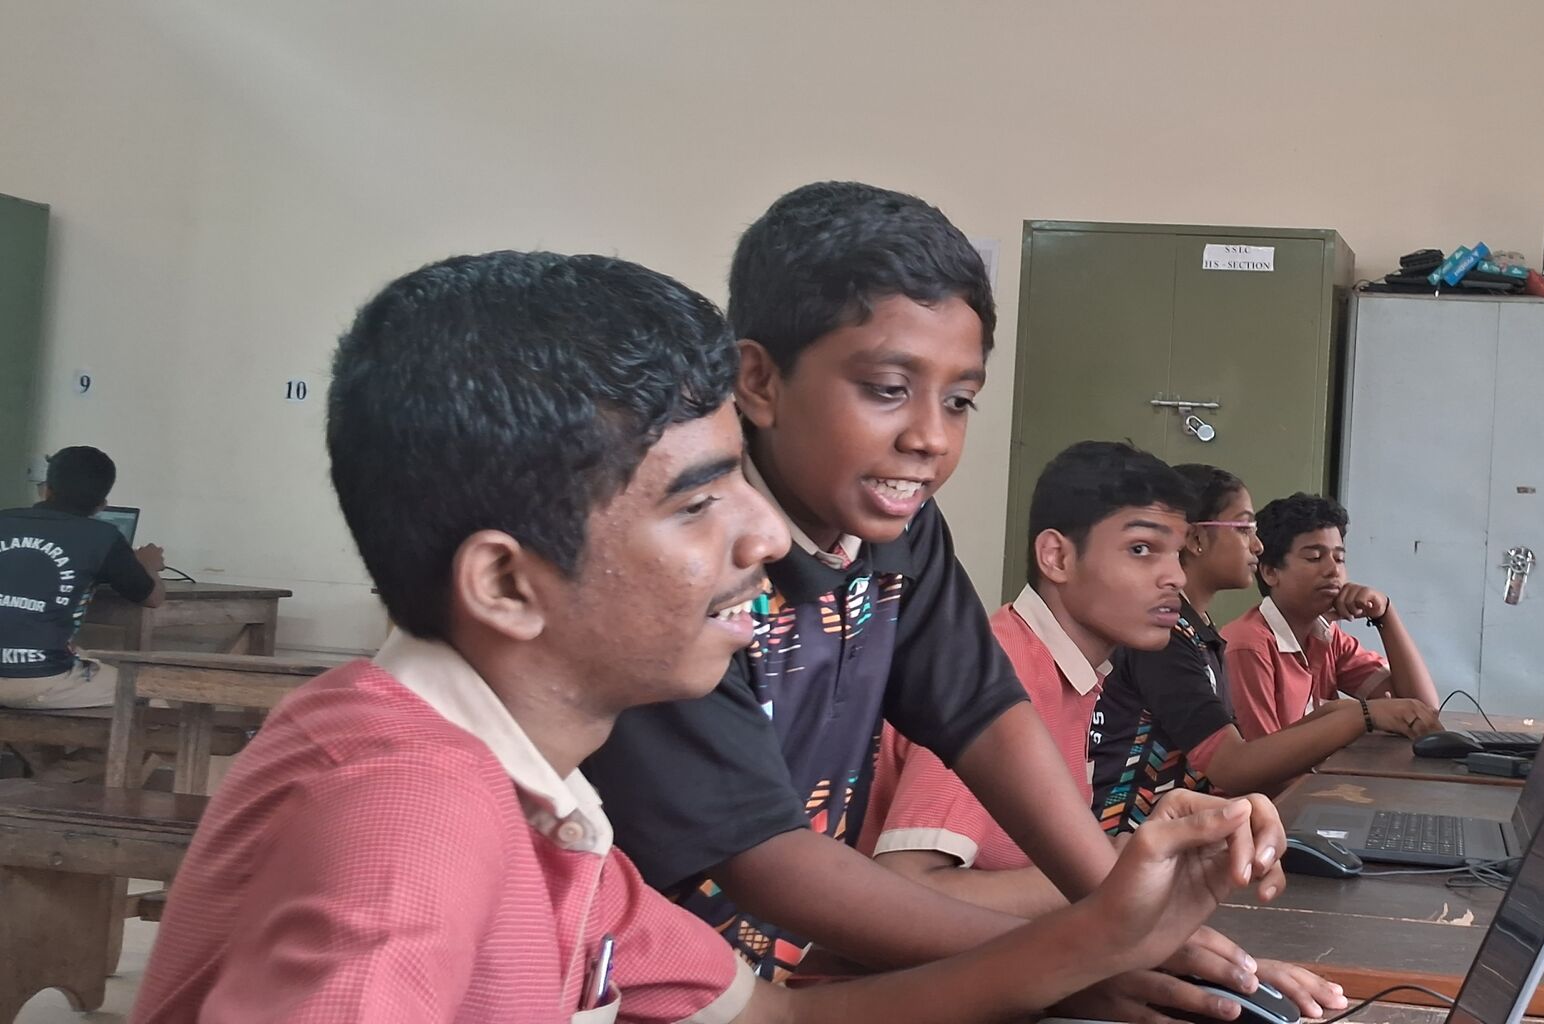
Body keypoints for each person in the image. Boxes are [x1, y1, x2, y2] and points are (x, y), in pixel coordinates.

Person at [134, 250, 1271, 1024]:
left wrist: (1102, 938)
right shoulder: (406, 822)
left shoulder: (551, 806)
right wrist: (1095, 941)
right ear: (507, 584)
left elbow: (772, 1015)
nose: (765, 538)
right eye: (697, 503)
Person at [581, 183, 1341, 1021]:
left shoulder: (898, 529)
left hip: (767, 995)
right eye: (885, 388)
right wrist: (1084, 954)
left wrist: (1136, 927)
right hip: (643, 988)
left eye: (958, 400)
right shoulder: (684, 570)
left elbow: (982, 714)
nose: (930, 438)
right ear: (758, 381)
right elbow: (764, 854)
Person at [862, 440, 1193, 916]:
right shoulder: (1006, 670)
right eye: (1141, 549)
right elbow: (906, 893)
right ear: (1056, 557)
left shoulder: (1075, 676)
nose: (1176, 577)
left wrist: (1120, 862)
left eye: (1178, 554)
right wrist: (1120, 874)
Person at [1090, 466, 1439, 834]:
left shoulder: (1197, 631)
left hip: (1183, 834)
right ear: (1196, 539)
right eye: (1244, 529)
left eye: (1339, 557)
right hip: (1132, 842)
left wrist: (1345, 710)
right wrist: (1361, 716)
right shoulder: (1166, 639)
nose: (1257, 546)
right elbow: (1235, 768)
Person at [1222, 494, 1441, 748]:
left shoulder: (1328, 637)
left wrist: (1385, 614)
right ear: (1270, 572)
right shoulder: (1248, 646)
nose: (1333, 570)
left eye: (1339, 558)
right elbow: (1262, 760)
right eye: (1315, 557)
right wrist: (1354, 716)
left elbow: (1421, 710)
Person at [0, 445, 165, 711]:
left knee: (80, 655)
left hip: (33, 675)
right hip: (40, 680)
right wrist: (149, 565)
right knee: (151, 690)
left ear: (46, 489)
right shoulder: (102, 537)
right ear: (102, 505)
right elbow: (152, 598)